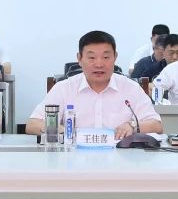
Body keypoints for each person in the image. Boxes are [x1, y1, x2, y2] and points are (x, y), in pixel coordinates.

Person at [28, 30, 161, 140]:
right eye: (91, 58)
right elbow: (33, 124)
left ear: (115, 57)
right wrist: (63, 130)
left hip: (120, 158)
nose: (99, 64)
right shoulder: (64, 88)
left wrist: (132, 126)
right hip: (73, 159)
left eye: (106, 57)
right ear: (79, 59)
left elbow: (156, 125)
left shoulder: (131, 88)